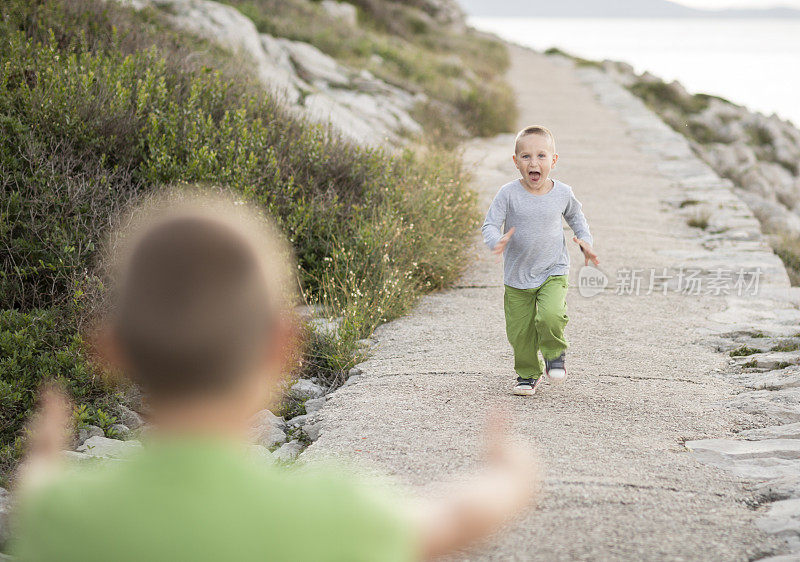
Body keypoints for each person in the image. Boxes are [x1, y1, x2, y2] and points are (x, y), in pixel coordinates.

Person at [11, 190, 540, 561]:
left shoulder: (65, 515)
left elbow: (36, 490)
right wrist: (507, 474)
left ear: (110, 352)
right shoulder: (330, 511)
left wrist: (43, 455)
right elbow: (451, 519)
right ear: (283, 347)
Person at [482, 126, 599, 396]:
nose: (533, 163)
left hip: (552, 270)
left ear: (553, 161)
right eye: (525, 157)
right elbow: (490, 224)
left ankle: (554, 354)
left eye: (541, 156)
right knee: (520, 333)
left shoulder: (563, 193)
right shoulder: (507, 194)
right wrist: (494, 241)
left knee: (551, 316)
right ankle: (527, 374)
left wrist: (585, 242)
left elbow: (577, 219)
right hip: (517, 276)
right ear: (515, 162)